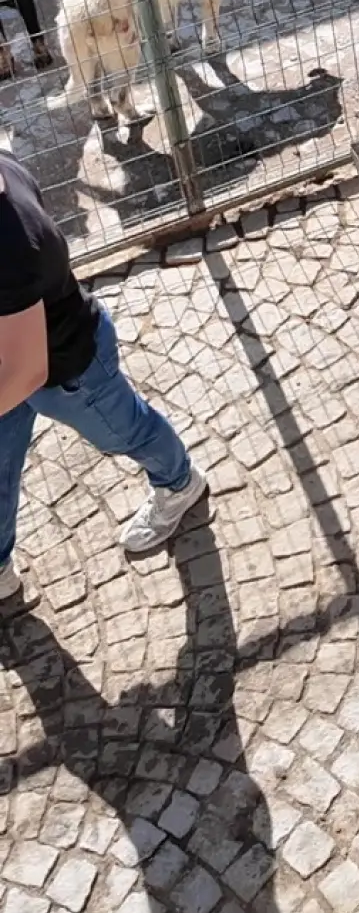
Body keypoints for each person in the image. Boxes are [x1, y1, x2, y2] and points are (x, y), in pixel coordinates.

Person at [0, 152, 207, 607]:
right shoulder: (5, 165)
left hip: (69, 371)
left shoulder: (8, 249)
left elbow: (28, 368)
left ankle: (180, 483)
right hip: (21, 359)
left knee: (130, 432)